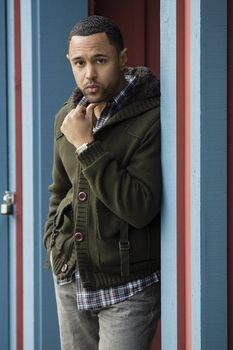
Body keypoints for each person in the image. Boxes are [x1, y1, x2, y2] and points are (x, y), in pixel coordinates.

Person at [43, 15, 161, 350]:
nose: (89, 74)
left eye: (100, 60)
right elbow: (60, 190)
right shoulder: (67, 116)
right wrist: (54, 244)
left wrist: (86, 146)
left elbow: (139, 207)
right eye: (79, 63)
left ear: (122, 59)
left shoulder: (152, 118)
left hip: (128, 286)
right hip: (71, 275)